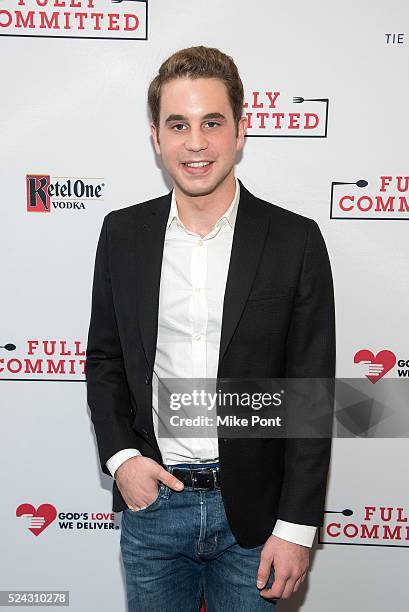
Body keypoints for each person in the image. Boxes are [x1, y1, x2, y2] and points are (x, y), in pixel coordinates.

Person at [85, 45, 335, 611]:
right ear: (156, 137)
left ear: (240, 131)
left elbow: (311, 395)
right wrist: (123, 461)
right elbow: (103, 360)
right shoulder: (122, 235)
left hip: (257, 518)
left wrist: (296, 527)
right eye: (178, 125)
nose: (195, 143)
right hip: (155, 508)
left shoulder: (295, 242)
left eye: (212, 123)